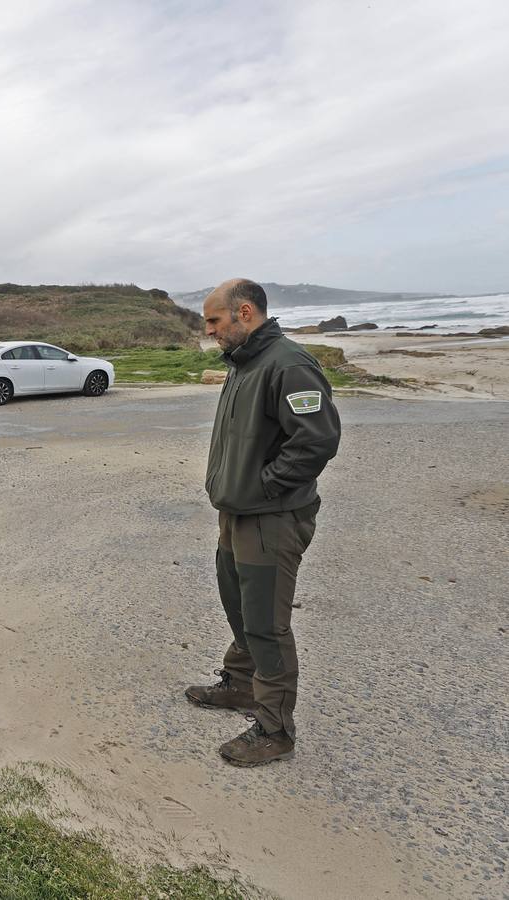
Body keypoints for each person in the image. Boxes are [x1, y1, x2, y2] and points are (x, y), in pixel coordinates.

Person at [186, 279, 341, 766]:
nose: (209, 331)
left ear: (245, 313)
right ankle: (241, 685)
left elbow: (315, 441)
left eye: (214, 321)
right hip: (237, 512)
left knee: (267, 624)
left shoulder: (288, 364)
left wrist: (266, 488)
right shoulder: (244, 363)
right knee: (238, 602)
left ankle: (275, 730)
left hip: (270, 518)